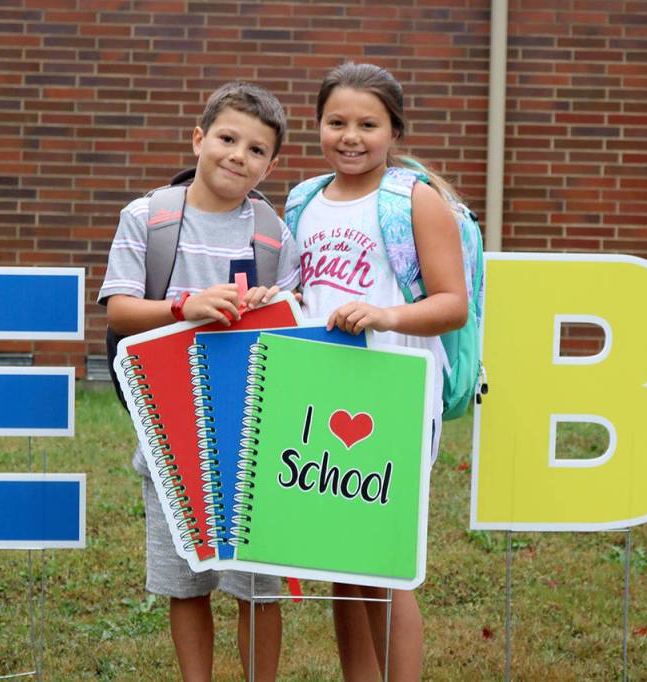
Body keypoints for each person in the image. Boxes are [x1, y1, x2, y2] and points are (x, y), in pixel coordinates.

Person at [97, 82, 301, 681]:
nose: (239, 156)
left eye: (257, 149)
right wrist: (184, 306)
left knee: (258, 584)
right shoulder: (150, 217)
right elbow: (120, 311)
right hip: (170, 423)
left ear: (271, 163)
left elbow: (292, 319)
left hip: (253, 430)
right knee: (186, 580)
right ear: (199, 138)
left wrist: (269, 302)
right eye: (227, 138)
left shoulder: (271, 233)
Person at [288, 62, 468, 681]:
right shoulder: (303, 201)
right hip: (318, 393)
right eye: (336, 122)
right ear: (318, 125)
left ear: (394, 131)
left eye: (368, 123)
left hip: (394, 393)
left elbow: (452, 304)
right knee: (339, 558)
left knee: (386, 560)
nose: (351, 136)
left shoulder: (412, 199)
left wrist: (383, 314)